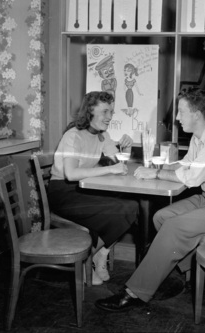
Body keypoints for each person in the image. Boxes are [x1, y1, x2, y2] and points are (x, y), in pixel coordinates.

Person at [95, 86, 205, 311]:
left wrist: (157, 173)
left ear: (197, 114)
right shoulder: (201, 138)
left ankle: (134, 292)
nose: (177, 118)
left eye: (181, 112)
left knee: (175, 227)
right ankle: (192, 274)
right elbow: (185, 164)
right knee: (162, 216)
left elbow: (192, 177)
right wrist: (156, 167)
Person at [48, 91, 139, 286]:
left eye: (111, 112)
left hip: (84, 190)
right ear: (89, 111)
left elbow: (119, 164)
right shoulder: (72, 136)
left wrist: (126, 147)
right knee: (122, 209)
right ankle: (85, 262)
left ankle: (100, 254)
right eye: (105, 111)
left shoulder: (101, 135)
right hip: (64, 192)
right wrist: (109, 169)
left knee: (131, 205)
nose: (110, 117)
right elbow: (71, 174)